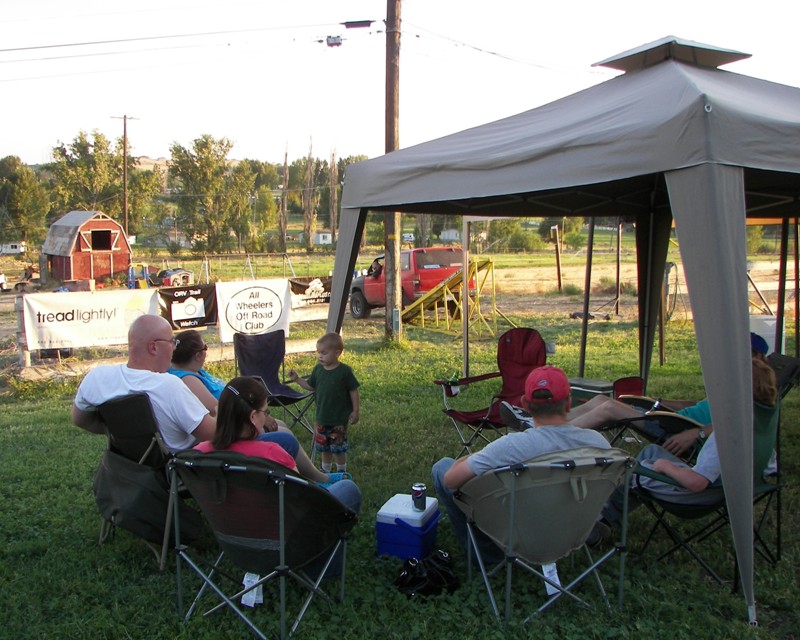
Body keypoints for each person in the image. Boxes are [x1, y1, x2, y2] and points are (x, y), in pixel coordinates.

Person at [432, 365, 612, 564]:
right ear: (569, 404)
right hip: (570, 531)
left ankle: (487, 556)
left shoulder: (511, 447)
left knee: (442, 467)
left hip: (519, 534)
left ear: (525, 404)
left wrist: (480, 456)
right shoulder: (599, 444)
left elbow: (450, 479)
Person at [194, 376, 362, 574]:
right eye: (266, 412)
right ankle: (323, 570)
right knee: (348, 490)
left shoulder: (198, 455)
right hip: (282, 548)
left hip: (233, 544)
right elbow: (305, 504)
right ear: (253, 417)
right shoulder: (272, 454)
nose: (266, 417)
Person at [600, 356, 778, 527]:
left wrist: (666, 467)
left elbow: (696, 483)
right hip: (736, 488)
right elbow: (771, 466)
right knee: (652, 452)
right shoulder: (759, 421)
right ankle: (607, 517)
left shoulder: (726, 433)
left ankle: (600, 521)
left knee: (635, 470)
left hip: (698, 496)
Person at [71, 314, 216, 453]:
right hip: (176, 468)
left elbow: (80, 420)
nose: (174, 347)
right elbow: (211, 433)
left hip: (130, 466)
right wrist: (226, 410)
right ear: (153, 347)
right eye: (172, 341)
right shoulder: (169, 385)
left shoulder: (97, 378)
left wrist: (126, 434)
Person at [289, 332, 360, 474]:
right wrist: (297, 379)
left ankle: (341, 471)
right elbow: (310, 386)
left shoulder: (344, 372)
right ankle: (325, 469)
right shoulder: (318, 370)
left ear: (337, 353)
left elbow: (354, 391)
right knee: (324, 446)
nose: (320, 356)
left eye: (324, 353)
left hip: (339, 419)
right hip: (322, 418)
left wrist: (355, 410)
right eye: (318, 352)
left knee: (338, 448)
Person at [168, 329, 225, 416]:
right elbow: (216, 410)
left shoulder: (195, 369)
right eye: (205, 347)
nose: (206, 352)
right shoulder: (188, 379)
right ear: (198, 355)